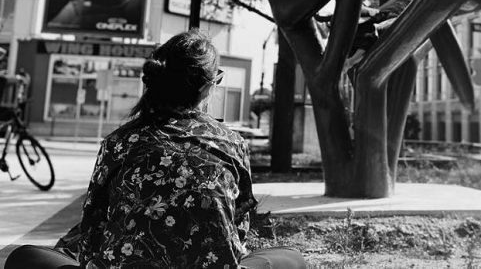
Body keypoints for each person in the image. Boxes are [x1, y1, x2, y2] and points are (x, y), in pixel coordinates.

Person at [6, 29, 306, 269]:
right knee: (292, 258)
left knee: (25, 257)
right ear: (206, 87)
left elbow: (93, 226)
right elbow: (237, 228)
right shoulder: (231, 143)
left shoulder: (120, 142)